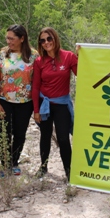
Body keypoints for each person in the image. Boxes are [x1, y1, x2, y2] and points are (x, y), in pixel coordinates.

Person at [0, 25, 39, 177]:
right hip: (4, 100)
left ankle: (14, 162)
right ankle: (5, 165)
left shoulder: (34, 56)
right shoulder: (2, 54)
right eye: (7, 38)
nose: (9, 41)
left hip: (26, 102)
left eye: (12, 38)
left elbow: (38, 80)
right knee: (4, 132)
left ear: (22, 38)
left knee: (20, 133)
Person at [32, 27, 78, 181]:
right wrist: (36, 110)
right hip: (45, 103)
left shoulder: (68, 57)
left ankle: (69, 171)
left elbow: (82, 73)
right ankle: (43, 167)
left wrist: (83, 55)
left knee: (63, 138)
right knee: (45, 136)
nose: (46, 43)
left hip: (61, 104)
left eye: (49, 39)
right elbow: (36, 86)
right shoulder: (39, 61)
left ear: (55, 39)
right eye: (42, 40)